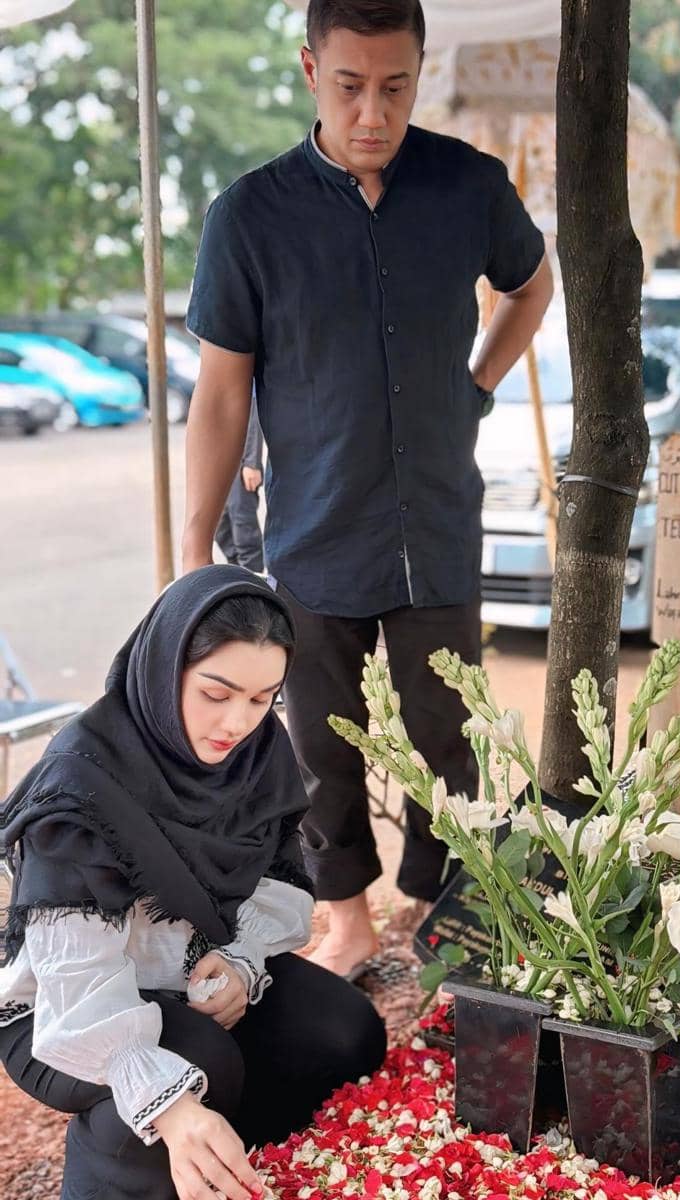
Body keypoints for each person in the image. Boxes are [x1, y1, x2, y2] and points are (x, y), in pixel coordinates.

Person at [181, 0, 554, 979]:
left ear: (418, 72)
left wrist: (476, 384)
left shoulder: (468, 186)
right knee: (316, 745)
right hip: (308, 532)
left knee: (448, 733)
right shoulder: (249, 216)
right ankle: (342, 914)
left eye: (395, 85)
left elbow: (531, 285)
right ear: (312, 71)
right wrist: (190, 562)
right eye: (350, 86)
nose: (373, 111)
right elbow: (220, 398)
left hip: (432, 523)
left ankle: (440, 904)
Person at [0, 567, 386, 1200]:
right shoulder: (82, 787)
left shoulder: (258, 753)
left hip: (191, 973)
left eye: (263, 698)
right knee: (196, 1069)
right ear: (164, 667)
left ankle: (231, 1163)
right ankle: (117, 1180)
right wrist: (172, 1108)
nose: (237, 722)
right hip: (60, 1010)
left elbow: (280, 878)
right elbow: (75, 983)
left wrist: (238, 963)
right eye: (216, 692)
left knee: (343, 1030)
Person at [215, 394, 265, 573]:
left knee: (243, 529)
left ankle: (253, 582)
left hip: (241, 460)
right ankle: (237, 576)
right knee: (221, 528)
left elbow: (253, 407)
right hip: (219, 457)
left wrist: (252, 462)